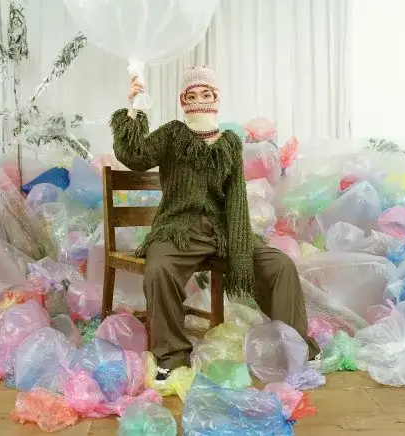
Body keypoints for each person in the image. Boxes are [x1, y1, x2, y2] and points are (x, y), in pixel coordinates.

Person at [110, 66, 320, 382]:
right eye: (192, 96)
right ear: (183, 101)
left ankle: (294, 348)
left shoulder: (229, 143)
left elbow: (236, 196)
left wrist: (240, 244)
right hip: (178, 230)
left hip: (222, 233)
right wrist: (134, 108)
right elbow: (135, 155)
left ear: (216, 99)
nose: (199, 101)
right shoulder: (172, 134)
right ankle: (171, 356)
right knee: (160, 270)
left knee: (280, 265)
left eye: (205, 94)